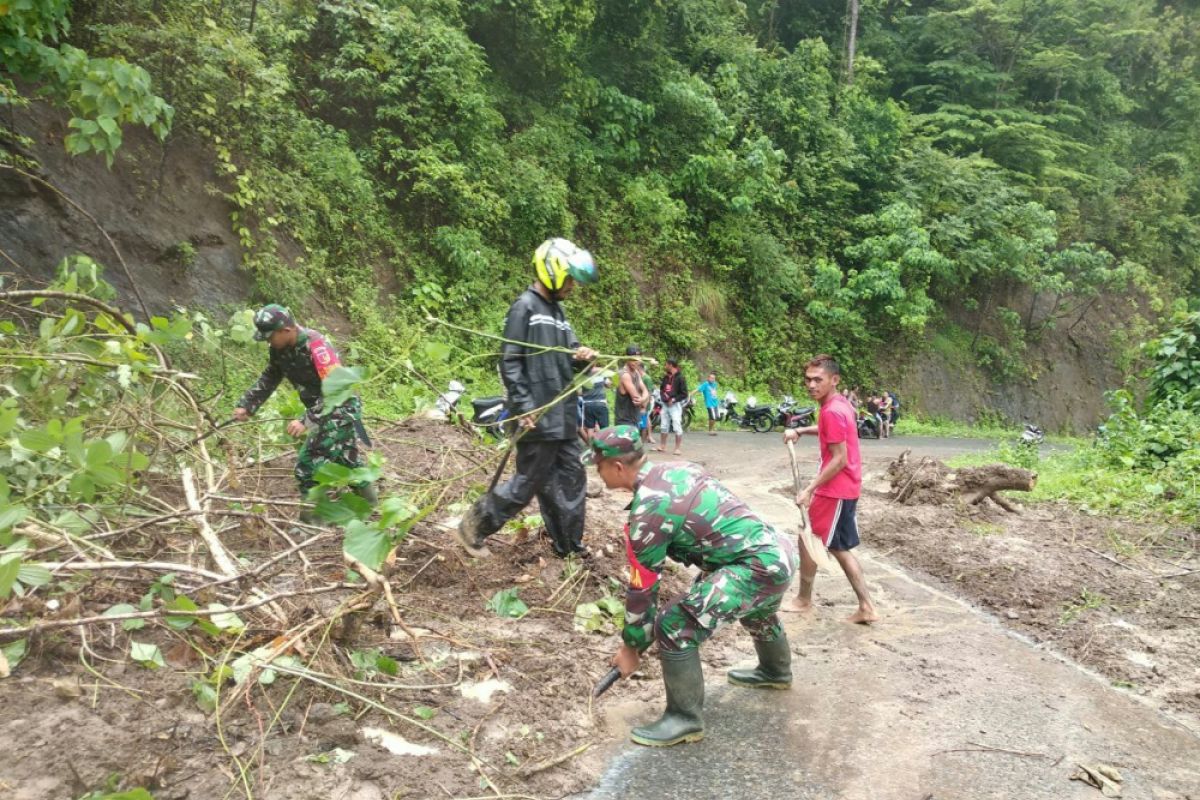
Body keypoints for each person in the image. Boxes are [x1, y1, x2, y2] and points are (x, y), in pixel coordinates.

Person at [588, 426, 797, 747]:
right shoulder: (677, 469)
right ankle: (775, 671)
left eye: (598, 466)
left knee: (674, 625)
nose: (597, 473)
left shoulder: (648, 511)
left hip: (755, 565)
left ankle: (684, 719)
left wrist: (632, 647)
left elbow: (643, 590)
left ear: (617, 467)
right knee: (758, 608)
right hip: (777, 551)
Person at [456, 238, 599, 559]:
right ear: (552, 272)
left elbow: (569, 355)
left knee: (573, 481)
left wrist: (584, 357)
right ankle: (473, 527)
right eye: (570, 278)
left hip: (562, 416)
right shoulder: (526, 308)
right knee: (527, 484)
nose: (573, 285)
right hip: (537, 414)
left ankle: (569, 547)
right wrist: (523, 405)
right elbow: (510, 360)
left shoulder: (558, 314)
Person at [234, 304, 375, 519]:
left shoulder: (317, 347)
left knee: (308, 464)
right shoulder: (279, 348)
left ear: (287, 331)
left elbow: (336, 389)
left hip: (340, 407)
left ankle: (311, 523)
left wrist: (307, 420)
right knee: (347, 458)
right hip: (324, 409)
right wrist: (248, 404)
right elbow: (271, 376)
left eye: (270, 337)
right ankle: (371, 505)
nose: (268, 342)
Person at [782, 354, 879, 624]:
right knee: (836, 546)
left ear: (834, 380)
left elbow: (839, 459)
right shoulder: (837, 405)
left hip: (834, 490)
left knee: (809, 539)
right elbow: (829, 429)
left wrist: (809, 489)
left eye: (818, 380)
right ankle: (865, 606)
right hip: (844, 488)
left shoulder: (833, 410)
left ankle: (804, 600)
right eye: (808, 380)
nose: (811, 385)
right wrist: (801, 430)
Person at [655, 359, 688, 455]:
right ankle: (662, 445)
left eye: (666, 364)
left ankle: (677, 448)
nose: (665, 366)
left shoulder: (680, 378)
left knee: (676, 424)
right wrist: (664, 397)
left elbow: (684, 394)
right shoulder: (666, 377)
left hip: (675, 405)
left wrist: (673, 400)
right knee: (664, 425)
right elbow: (662, 389)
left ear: (671, 365)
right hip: (665, 404)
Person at [614, 346, 649, 428]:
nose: (637, 361)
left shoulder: (636, 372)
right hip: (625, 421)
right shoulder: (625, 375)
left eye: (639, 358)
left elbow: (645, 390)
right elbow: (636, 399)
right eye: (634, 359)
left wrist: (643, 399)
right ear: (627, 358)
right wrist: (644, 399)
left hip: (635, 418)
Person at [578, 363, 610, 440]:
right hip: (600, 403)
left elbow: (578, 391)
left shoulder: (582, 375)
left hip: (587, 405)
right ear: (594, 363)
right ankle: (605, 446)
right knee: (604, 428)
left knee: (590, 428)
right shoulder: (601, 373)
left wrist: (586, 394)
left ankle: (591, 448)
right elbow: (608, 384)